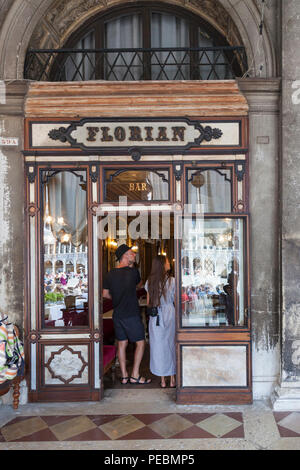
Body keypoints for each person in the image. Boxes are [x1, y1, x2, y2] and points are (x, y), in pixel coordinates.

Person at [102, 243, 151, 385]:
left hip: (117, 314)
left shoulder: (109, 274)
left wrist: (117, 298)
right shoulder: (134, 272)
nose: (134, 255)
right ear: (124, 256)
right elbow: (139, 285)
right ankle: (135, 375)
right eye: (131, 253)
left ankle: (124, 376)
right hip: (131, 313)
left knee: (122, 344)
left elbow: (105, 294)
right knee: (141, 343)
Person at [145, 255, 176, 388]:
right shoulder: (172, 281)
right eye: (167, 261)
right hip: (169, 313)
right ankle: (172, 378)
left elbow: (148, 303)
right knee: (170, 345)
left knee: (158, 346)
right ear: (163, 265)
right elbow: (176, 299)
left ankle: (162, 380)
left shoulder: (149, 282)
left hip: (155, 316)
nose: (169, 263)